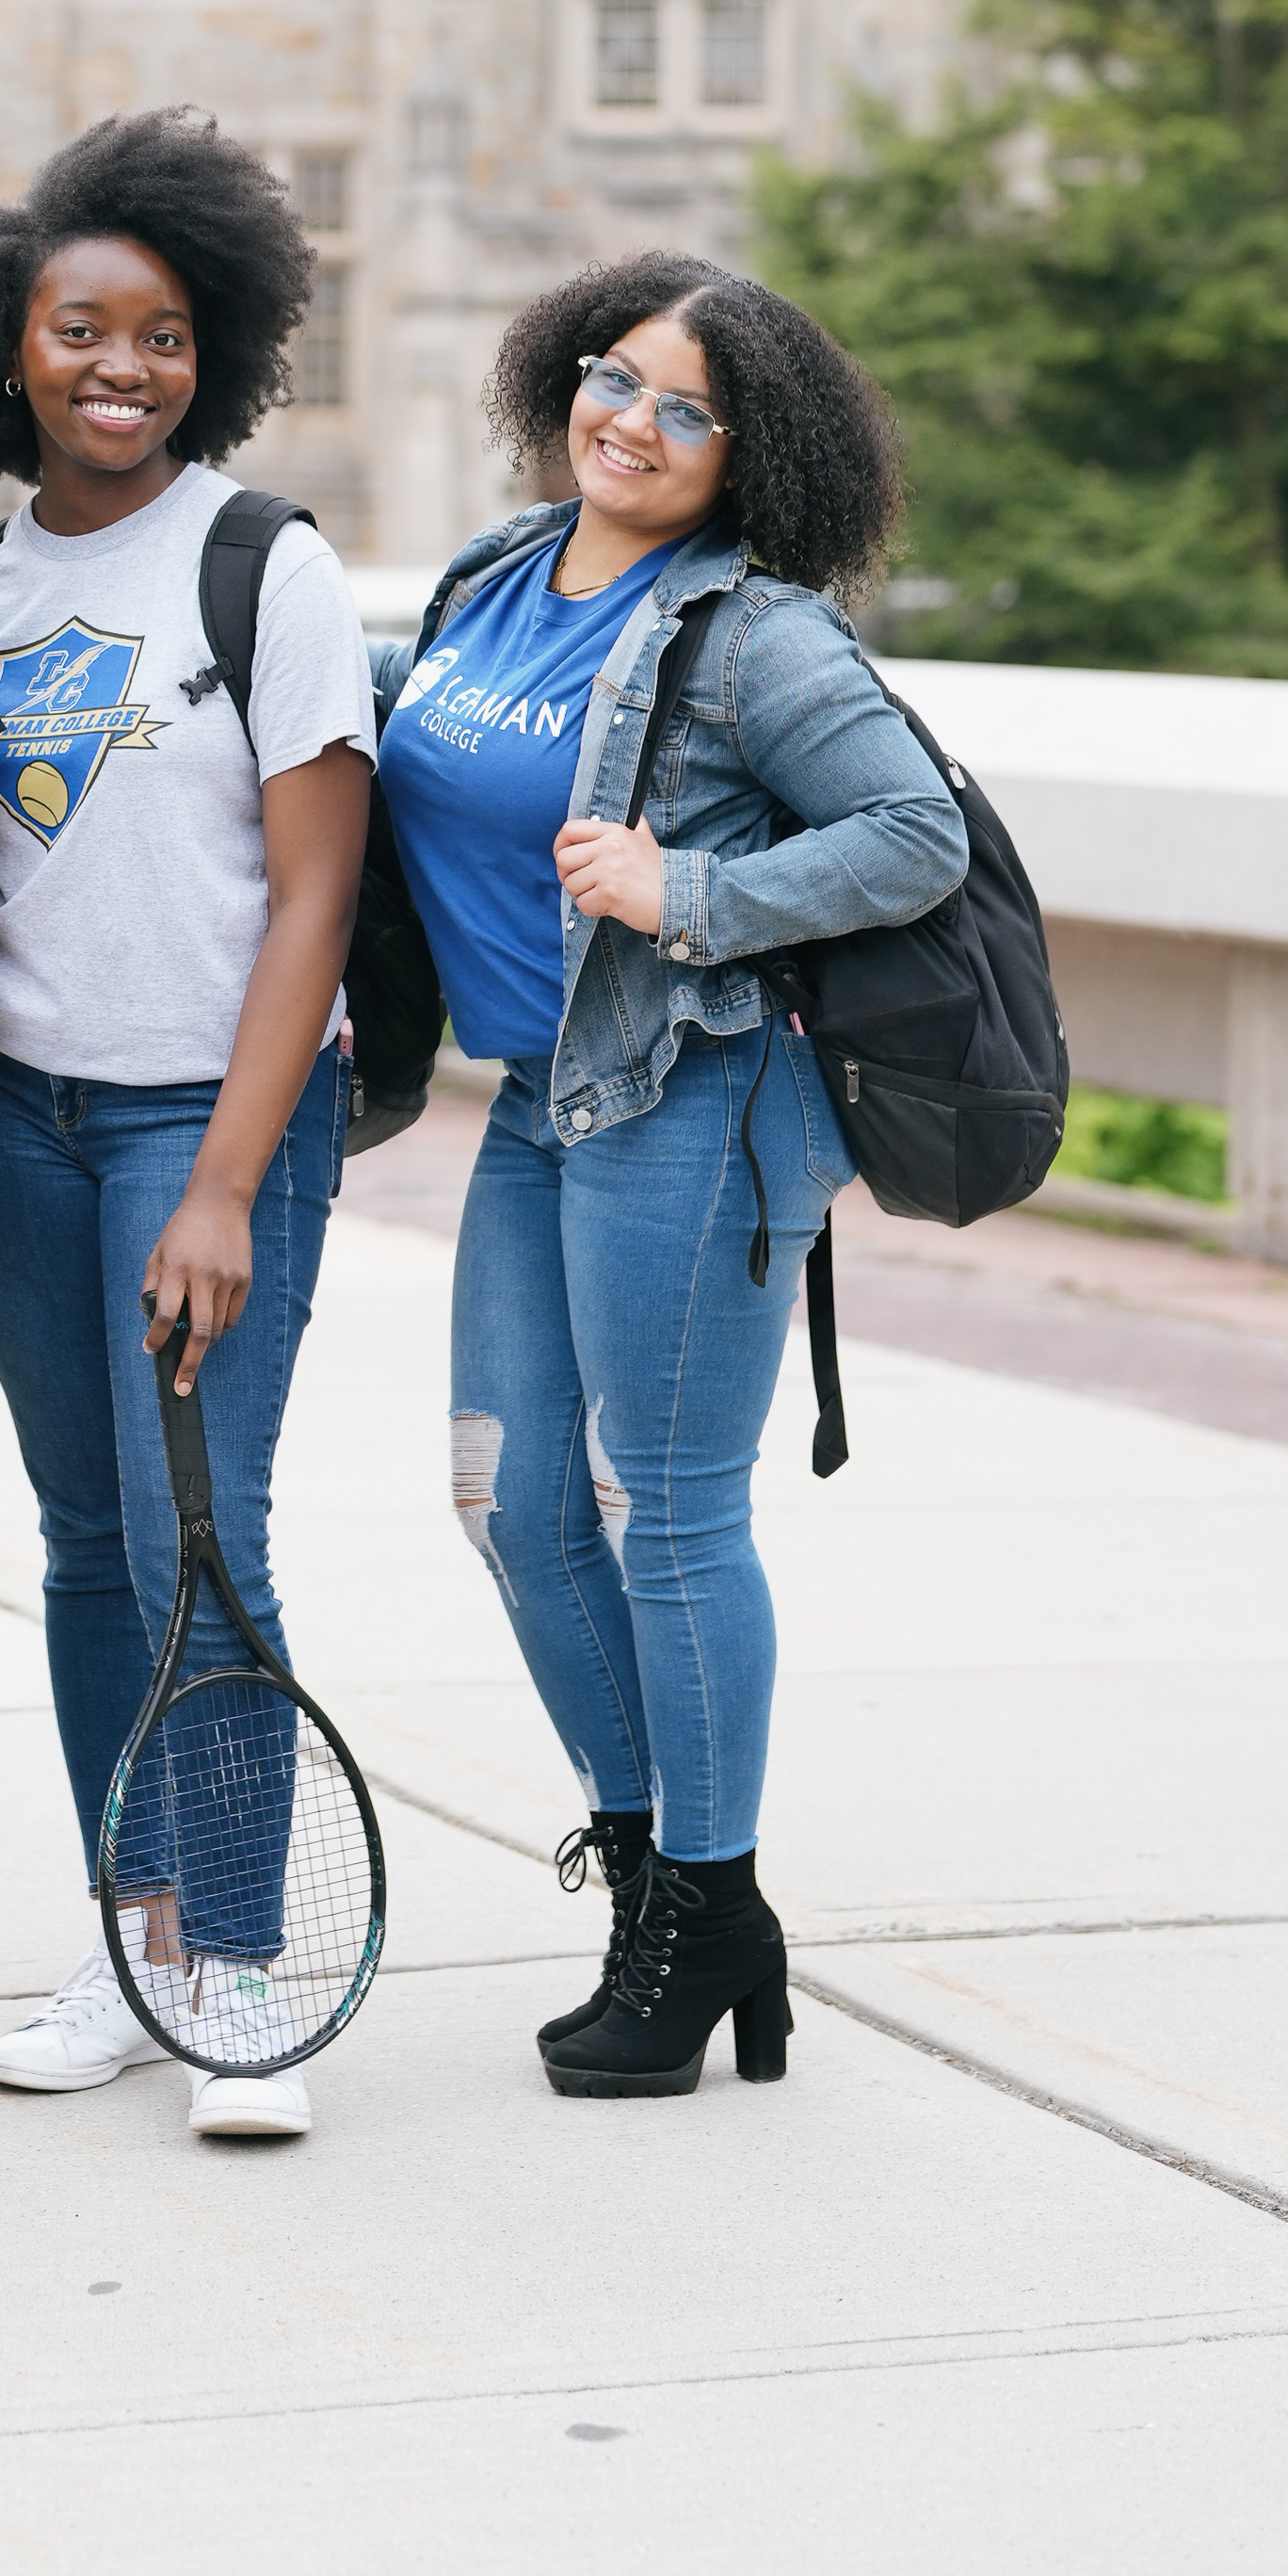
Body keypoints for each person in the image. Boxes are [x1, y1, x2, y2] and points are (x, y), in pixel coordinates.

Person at [374, 257, 966, 2098]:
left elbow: (915, 828)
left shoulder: (753, 631)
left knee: (672, 1514)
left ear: (746, 451)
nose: (630, 419)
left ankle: (701, 1915)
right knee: (510, 1500)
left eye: (685, 406)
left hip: (692, 1102)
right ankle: (663, 1882)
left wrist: (691, 894)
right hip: (537, 1105)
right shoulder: (491, 573)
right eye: (615, 377)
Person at [0, 107, 374, 2144]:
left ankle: (245, 1959)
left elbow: (317, 896)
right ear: (12, 342)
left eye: (163, 334)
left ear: (215, 348)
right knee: (91, 1548)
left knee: (206, 1539)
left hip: (210, 1113)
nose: (121, 365)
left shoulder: (269, 564)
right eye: (83, 328)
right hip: (17, 1126)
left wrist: (229, 1186)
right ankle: (136, 1930)